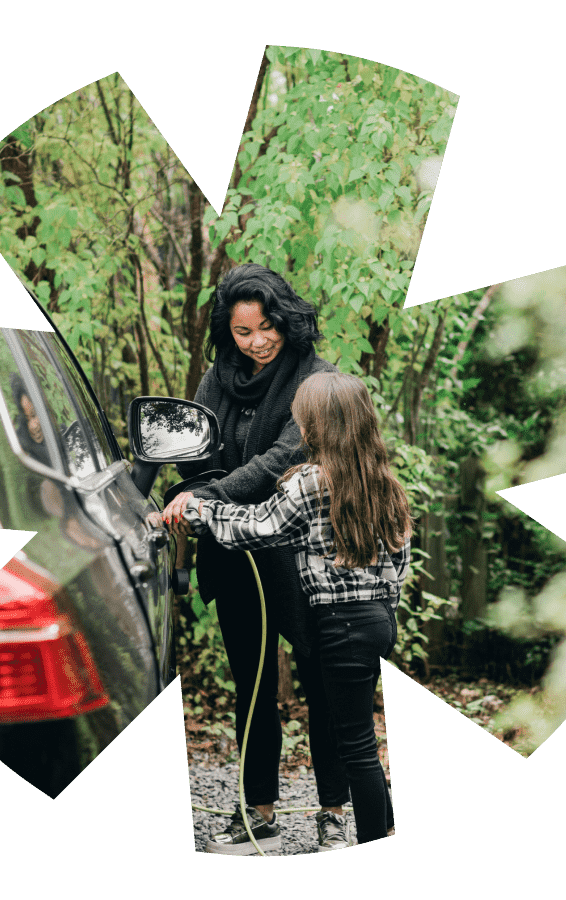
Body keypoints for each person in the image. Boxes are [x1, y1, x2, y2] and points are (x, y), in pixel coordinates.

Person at [170, 371, 413, 849]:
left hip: (338, 625)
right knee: (359, 727)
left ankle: (370, 835)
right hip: (380, 621)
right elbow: (400, 561)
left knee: (358, 746)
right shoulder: (383, 482)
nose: (298, 428)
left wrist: (203, 510)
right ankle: (380, 817)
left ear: (315, 429)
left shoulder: (307, 483)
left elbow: (257, 528)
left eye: (301, 421)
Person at [161, 263, 352, 855]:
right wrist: (178, 491)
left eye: (267, 326)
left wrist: (205, 496)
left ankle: (333, 813)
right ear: (228, 333)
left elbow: (277, 461)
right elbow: (190, 453)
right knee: (253, 684)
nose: (258, 341)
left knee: (323, 684)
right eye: (244, 332)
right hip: (234, 558)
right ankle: (259, 813)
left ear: (286, 319)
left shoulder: (317, 381)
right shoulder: (216, 379)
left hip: (305, 557)